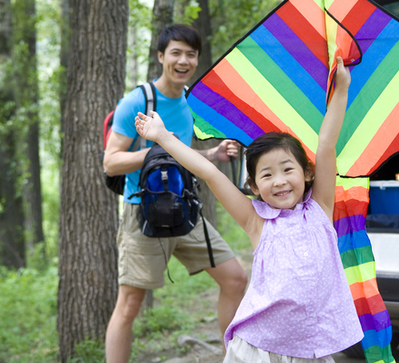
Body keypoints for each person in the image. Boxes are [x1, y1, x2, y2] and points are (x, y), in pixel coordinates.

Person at [135, 56, 363, 362]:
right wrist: (162, 137)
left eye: (287, 169)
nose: (279, 181)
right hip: (262, 349)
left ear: (307, 172)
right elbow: (210, 173)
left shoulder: (320, 208)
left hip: (311, 348)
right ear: (254, 187)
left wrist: (342, 89)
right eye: (267, 175)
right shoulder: (258, 221)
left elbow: (326, 143)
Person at [103, 24, 248, 363]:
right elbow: (111, 162)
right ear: (161, 57)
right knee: (129, 305)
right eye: (176, 53)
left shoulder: (187, 101)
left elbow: (181, 152)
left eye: (191, 54)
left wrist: (213, 155)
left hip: (185, 210)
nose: (184, 61)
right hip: (144, 212)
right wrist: (158, 150)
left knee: (236, 278)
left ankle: (233, 358)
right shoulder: (136, 101)